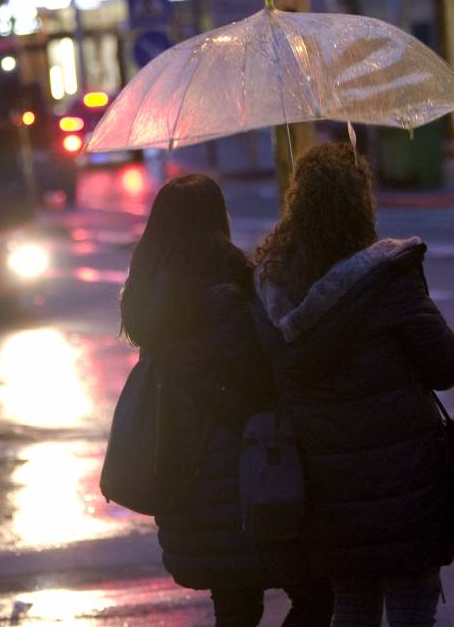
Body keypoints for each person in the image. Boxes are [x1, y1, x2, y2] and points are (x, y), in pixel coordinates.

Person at [253, 143, 454, 627]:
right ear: (360, 204)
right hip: (406, 484)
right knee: (412, 607)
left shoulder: (274, 290)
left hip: (329, 491)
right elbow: (448, 367)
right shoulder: (387, 278)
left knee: (352, 606)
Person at [120, 174, 333, 627]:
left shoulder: (153, 300)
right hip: (242, 476)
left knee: (236, 609)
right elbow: (257, 382)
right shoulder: (226, 293)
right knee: (316, 597)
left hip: (189, 482)